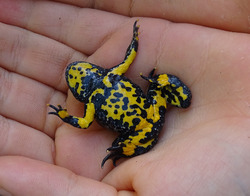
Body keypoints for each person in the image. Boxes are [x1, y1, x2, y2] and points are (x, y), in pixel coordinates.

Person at [0, 0, 250, 195]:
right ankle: (177, 99)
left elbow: (85, 123)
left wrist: (65, 115)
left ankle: (136, 138)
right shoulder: (110, 75)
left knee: (131, 126)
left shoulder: (90, 104)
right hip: (151, 115)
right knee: (159, 83)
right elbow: (128, 58)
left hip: (144, 128)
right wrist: (135, 39)